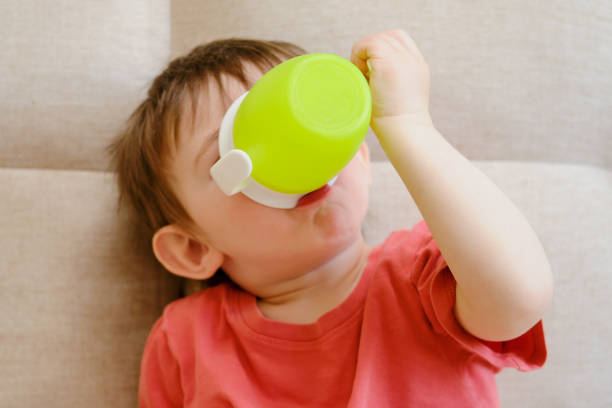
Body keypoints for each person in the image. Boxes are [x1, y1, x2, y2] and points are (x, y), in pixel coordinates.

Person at [109, 29, 553, 407]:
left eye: (308, 128)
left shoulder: (423, 277)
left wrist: (407, 123)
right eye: (242, 143)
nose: (299, 159)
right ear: (192, 248)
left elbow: (518, 296)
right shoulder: (184, 341)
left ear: (358, 155)